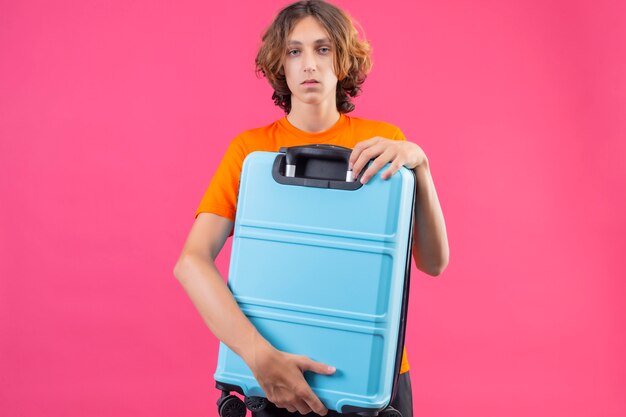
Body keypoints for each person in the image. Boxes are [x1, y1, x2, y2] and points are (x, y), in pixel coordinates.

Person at [173, 1, 449, 416]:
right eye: (294, 51)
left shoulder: (383, 143)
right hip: (277, 380)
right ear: (279, 65)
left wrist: (420, 165)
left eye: (322, 49)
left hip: (373, 378)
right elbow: (191, 262)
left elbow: (433, 262)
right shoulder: (250, 151)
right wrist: (258, 357)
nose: (308, 65)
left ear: (342, 59)